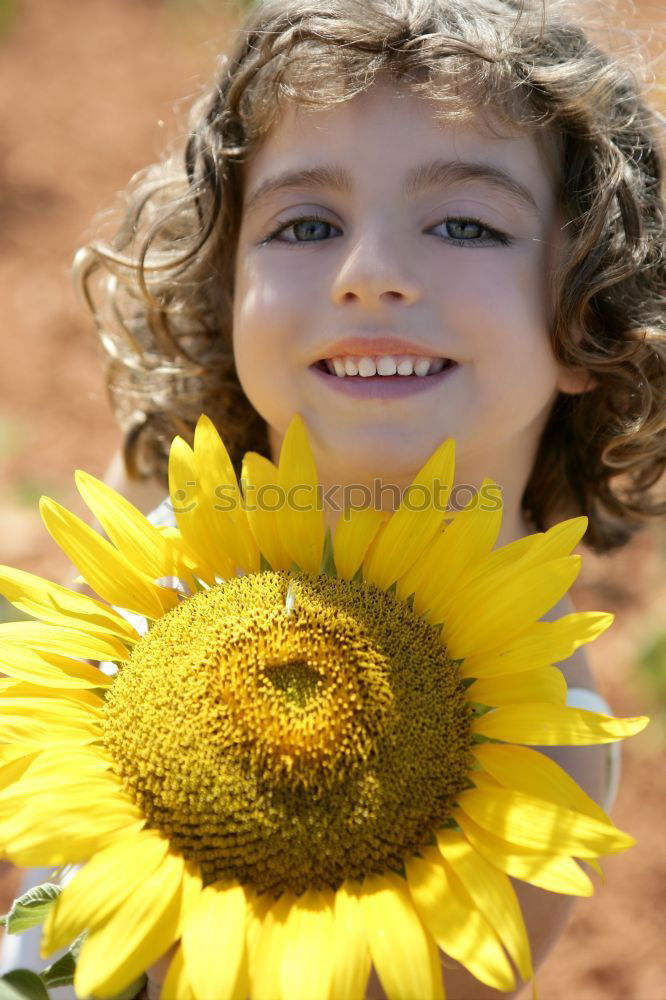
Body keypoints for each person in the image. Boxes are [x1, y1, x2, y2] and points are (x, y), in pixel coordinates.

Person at [4, 0, 665, 997]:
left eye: (464, 223)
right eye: (306, 223)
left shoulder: (525, 744)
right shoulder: (166, 564)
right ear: (225, 300)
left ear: (590, 314)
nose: (372, 276)